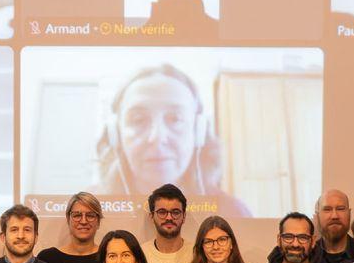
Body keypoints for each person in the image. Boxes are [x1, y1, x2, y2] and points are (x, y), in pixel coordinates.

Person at [93, 63, 250, 218]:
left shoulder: (233, 213)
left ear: (198, 132)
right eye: (138, 119)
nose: (157, 138)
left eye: (175, 118)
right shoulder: (87, 210)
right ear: (116, 134)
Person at [142, 183, 195, 263]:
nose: (169, 217)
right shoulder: (140, 254)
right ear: (151, 216)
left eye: (175, 212)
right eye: (162, 212)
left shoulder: (197, 254)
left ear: (184, 216)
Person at [315, 189, 354, 263]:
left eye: (340, 209)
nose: (334, 216)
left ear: (349, 213)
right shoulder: (308, 256)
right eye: (327, 209)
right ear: (317, 216)